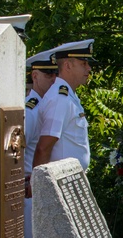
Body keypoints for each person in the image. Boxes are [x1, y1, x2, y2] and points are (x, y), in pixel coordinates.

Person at [22, 46, 57, 238]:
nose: (53, 80)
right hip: (27, 189)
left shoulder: (42, 106)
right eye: (48, 74)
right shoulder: (31, 110)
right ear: (35, 76)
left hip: (35, 189)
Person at [32, 39, 94, 172]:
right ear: (67, 65)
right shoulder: (60, 98)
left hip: (69, 178)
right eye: (83, 63)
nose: (88, 68)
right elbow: (44, 147)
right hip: (61, 179)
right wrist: (37, 185)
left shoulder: (68, 95)